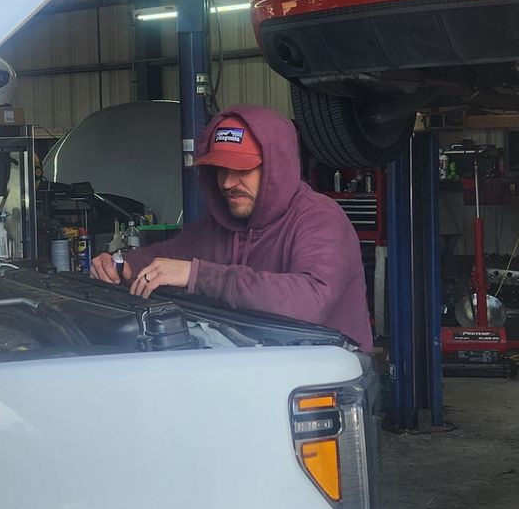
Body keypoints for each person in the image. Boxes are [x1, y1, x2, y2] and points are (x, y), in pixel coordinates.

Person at [90, 106, 373, 351]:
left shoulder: (320, 220)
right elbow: (167, 256)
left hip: (326, 375)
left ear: (277, 168)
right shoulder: (219, 226)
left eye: (241, 170)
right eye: (221, 170)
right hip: (254, 363)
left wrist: (198, 275)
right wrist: (123, 265)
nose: (226, 183)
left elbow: (310, 301)